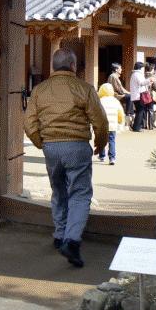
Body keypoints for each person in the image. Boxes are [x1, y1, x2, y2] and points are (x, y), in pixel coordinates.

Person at [24, 48, 108, 268]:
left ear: (53, 66)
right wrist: (100, 143)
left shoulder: (40, 90)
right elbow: (100, 121)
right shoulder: (84, 88)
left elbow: (29, 123)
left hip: (51, 147)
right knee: (79, 194)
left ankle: (60, 235)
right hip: (77, 146)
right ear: (73, 66)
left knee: (58, 190)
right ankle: (72, 241)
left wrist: (42, 143)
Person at [97, 83, 125, 164]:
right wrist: (120, 121)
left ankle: (102, 156)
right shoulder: (115, 101)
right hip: (112, 126)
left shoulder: (100, 101)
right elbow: (120, 113)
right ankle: (112, 158)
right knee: (112, 141)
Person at [129, 62, 153, 132]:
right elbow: (142, 83)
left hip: (136, 95)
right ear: (140, 68)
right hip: (139, 96)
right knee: (140, 111)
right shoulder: (137, 74)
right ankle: (137, 128)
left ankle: (136, 127)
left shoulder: (134, 74)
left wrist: (148, 82)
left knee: (139, 111)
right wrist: (149, 79)